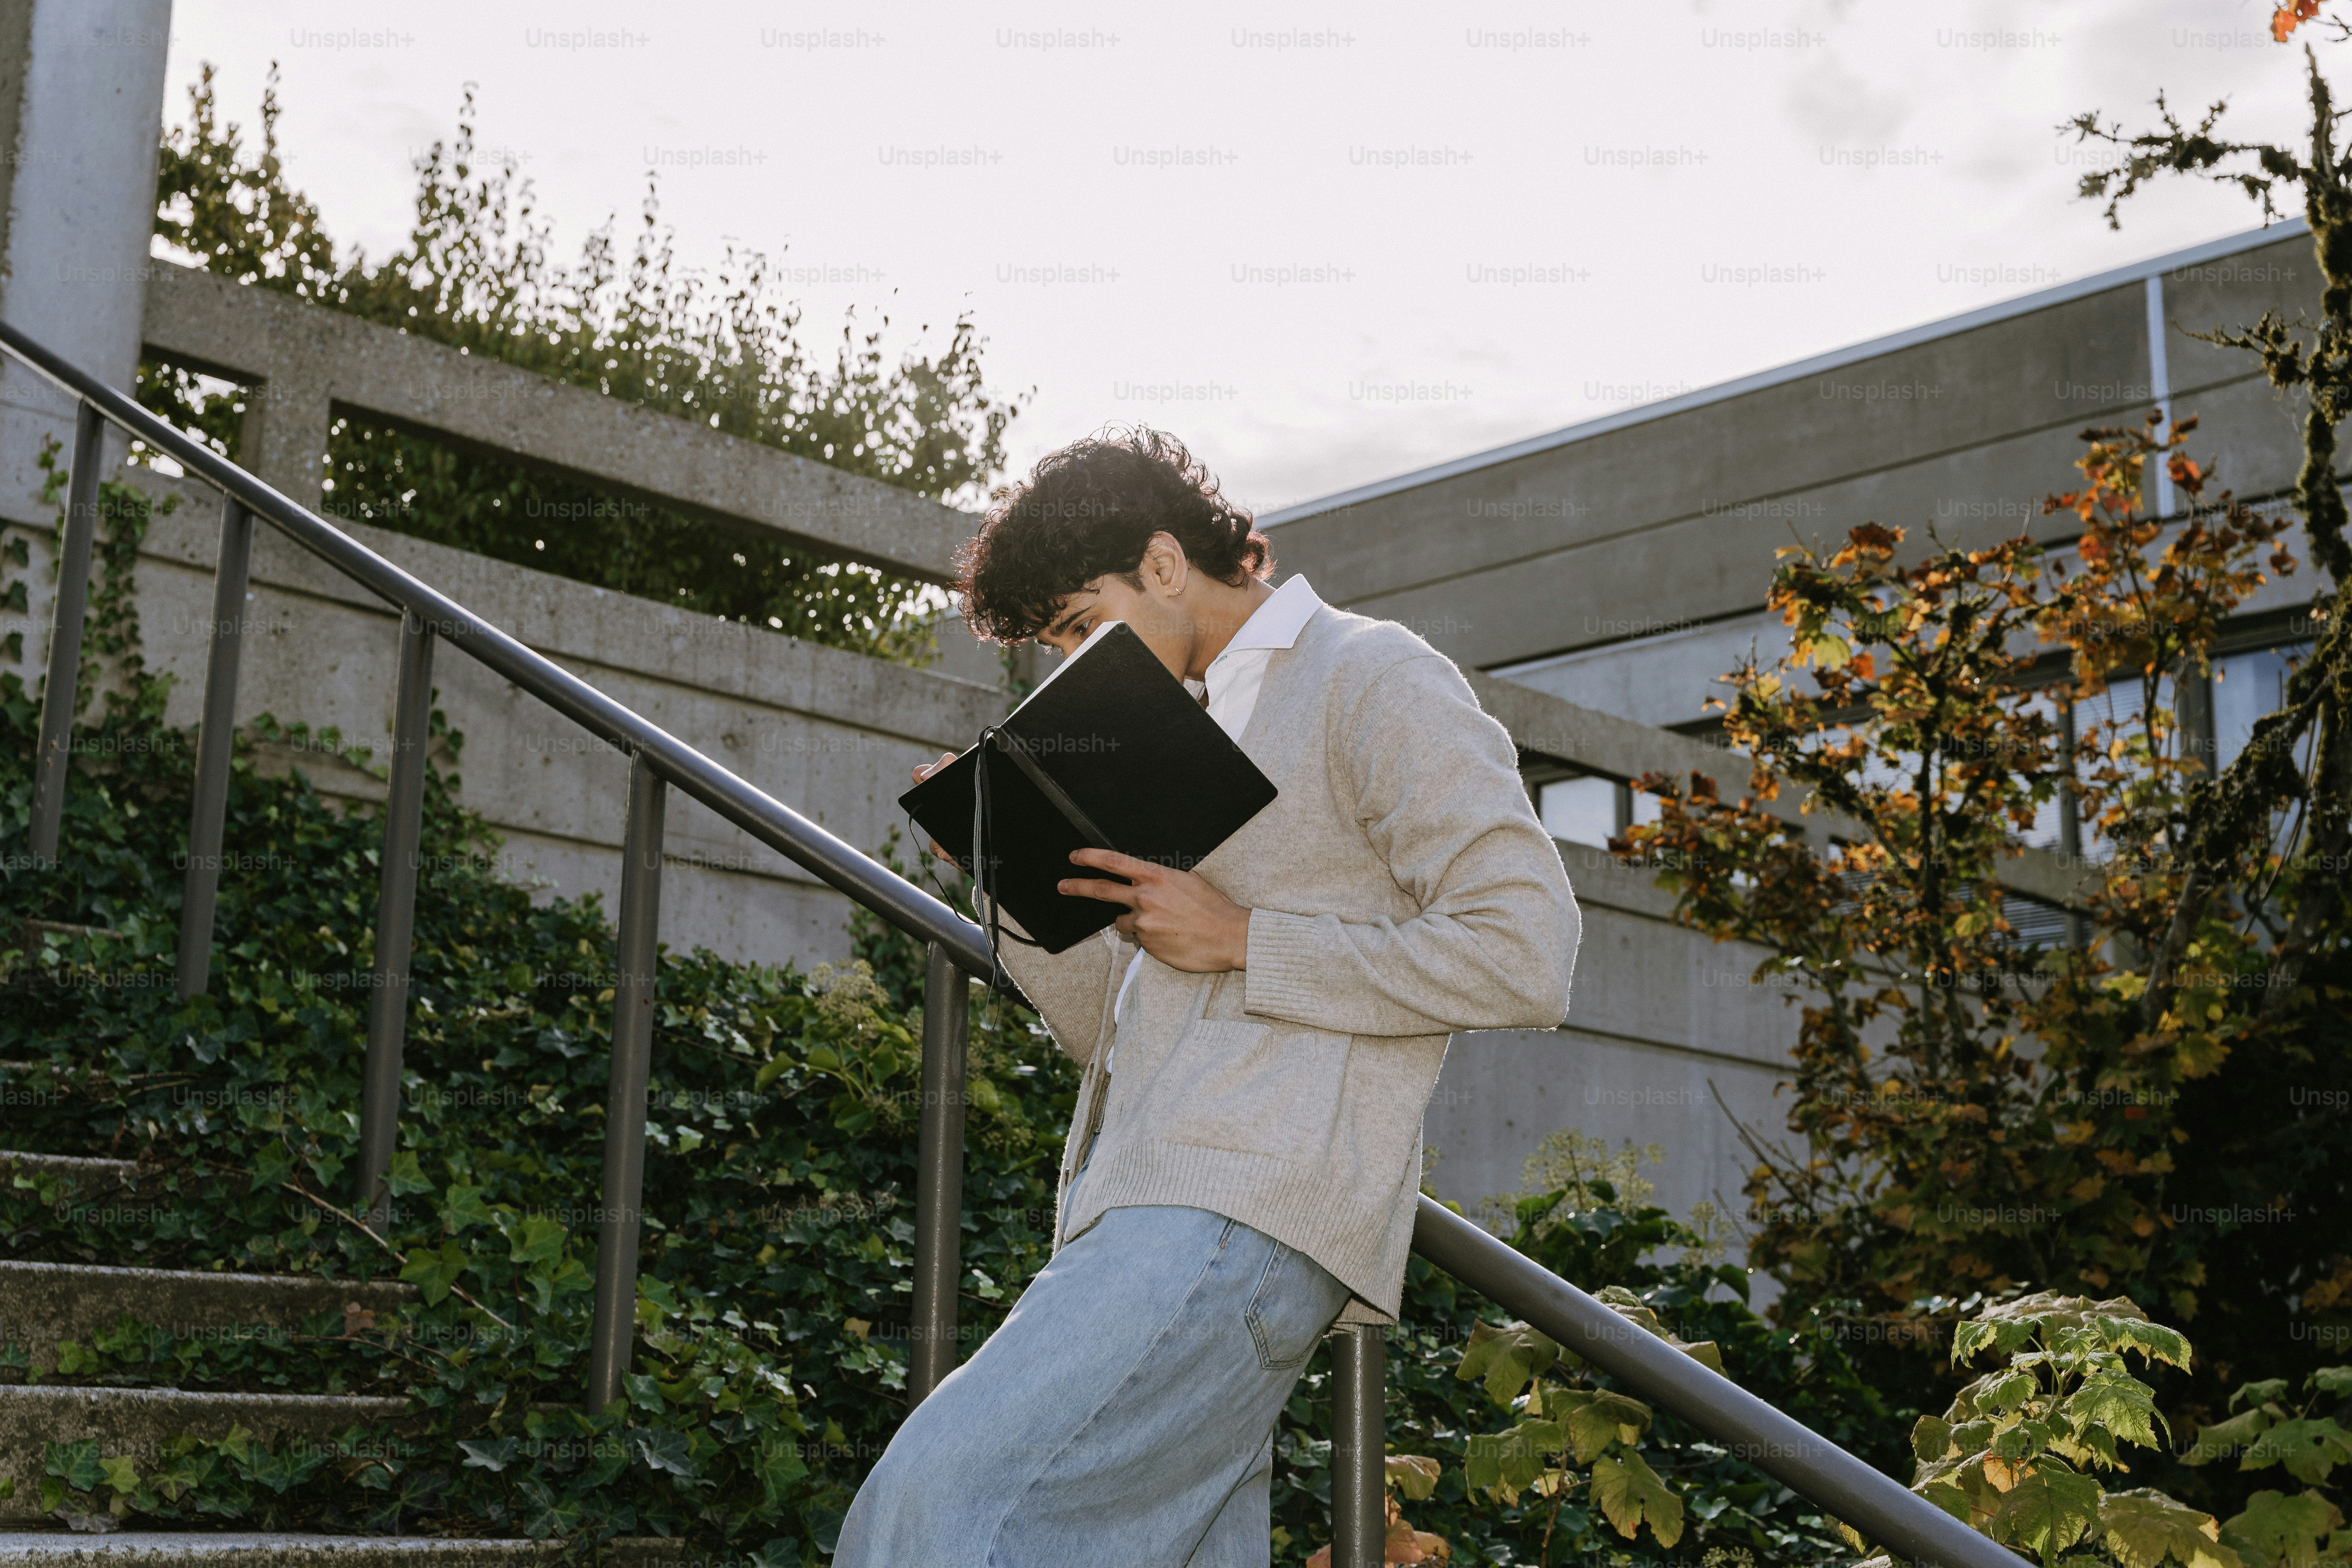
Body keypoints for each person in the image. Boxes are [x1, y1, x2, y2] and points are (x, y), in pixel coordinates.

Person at [834, 427, 1581, 1567]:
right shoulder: (1157, 731)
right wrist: (1016, 871)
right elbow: (1113, 1032)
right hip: (1150, 1194)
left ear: (1167, 563)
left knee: (933, 1507)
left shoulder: (1370, 675)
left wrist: (1243, 938)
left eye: (1083, 625)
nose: (1071, 665)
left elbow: (1527, 947)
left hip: (1238, 1205)